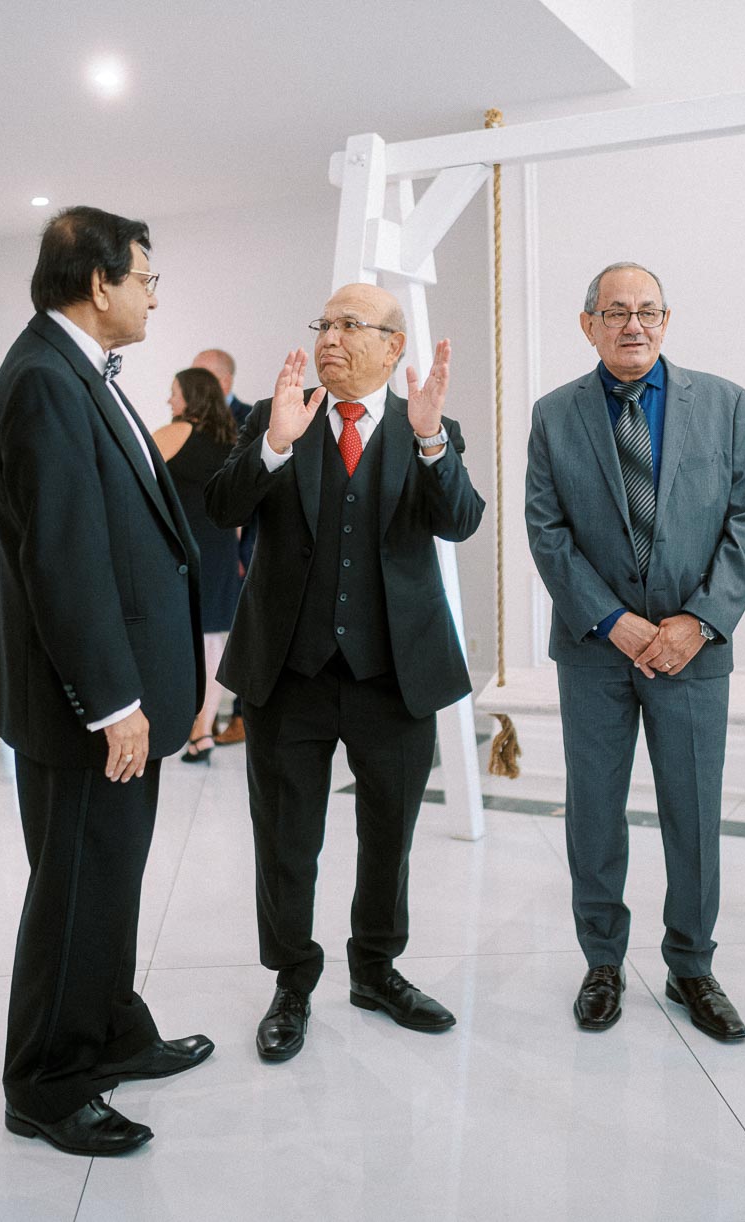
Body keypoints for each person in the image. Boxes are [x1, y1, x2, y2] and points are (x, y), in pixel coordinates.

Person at [0, 206, 213, 1157]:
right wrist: (115, 703)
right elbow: (63, 558)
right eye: (146, 277)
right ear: (98, 283)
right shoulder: (43, 379)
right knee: (75, 894)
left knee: (110, 882)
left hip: (128, 689)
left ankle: (113, 1031)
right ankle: (46, 1082)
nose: (156, 293)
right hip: (89, 706)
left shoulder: (77, 369)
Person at [206, 282, 484, 1061]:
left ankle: (377, 969)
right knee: (286, 838)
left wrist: (432, 445)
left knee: (388, 834)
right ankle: (292, 980)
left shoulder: (430, 426)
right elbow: (219, 500)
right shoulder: (277, 414)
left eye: (350, 325)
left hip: (394, 674)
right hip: (288, 674)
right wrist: (273, 446)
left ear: (393, 347)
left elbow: (460, 519)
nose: (330, 337)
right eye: (323, 323)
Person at [525, 262, 745, 1042]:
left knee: (693, 813)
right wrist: (611, 621)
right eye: (616, 311)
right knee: (595, 811)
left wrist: (697, 622)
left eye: (648, 311)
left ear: (667, 320)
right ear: (588, 322)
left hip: (693, 650)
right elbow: (546, 529)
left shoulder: (725, 404)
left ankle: (692, 966)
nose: (634, 324)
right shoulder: (553, 414)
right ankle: (602, 962)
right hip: (596, 651)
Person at [152, 367, 241, 764]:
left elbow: (132, 473)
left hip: (183, 551)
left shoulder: (178, 432)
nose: (169, 401)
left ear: (192, 397)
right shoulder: (231, 442)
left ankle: (190, 729)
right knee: (213, 642)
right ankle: (202, 732)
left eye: (174, 393)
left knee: (185, 644)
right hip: (221, 548)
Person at [192, 347, 252, 744]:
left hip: (242, 548)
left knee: (248, 634)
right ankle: (203, 716)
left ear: (225, 382)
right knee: (207, 635)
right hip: (207, 546)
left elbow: (252, 490)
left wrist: (243, 554)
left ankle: (242, 716)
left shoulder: (249, 419)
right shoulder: (191, 421)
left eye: (203, 376)